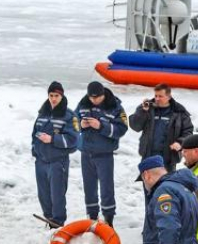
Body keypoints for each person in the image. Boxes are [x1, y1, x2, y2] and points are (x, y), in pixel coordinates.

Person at [74, 81, 127, 227]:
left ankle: (108, 219)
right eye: (91, 98)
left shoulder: (115, 106)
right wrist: (81, 125)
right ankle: (92, 216)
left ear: (103, 94)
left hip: (104, 154)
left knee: (106, 188)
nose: (94, 101)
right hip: (86, 152)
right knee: (89, 186)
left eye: (97, 98)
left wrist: (101, 126)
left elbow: (122, 129)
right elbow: (72, 120)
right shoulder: (84, 103)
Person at [31, 81, 78, 227]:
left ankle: (58, 223)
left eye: (56, 95)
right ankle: (49, 219)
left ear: (61, 95)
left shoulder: (69, 115)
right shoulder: (42, 113)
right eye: (51, 95)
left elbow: (74, 141)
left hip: (58, 162)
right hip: (41, 161)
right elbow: (34, 134)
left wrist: (52, 139)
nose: (53, 98)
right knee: (43, 195)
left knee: (57, 195)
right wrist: (35, 150)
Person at [128, 83, 193, 171]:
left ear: (169, 97)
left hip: (168, 158)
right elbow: (135, 126)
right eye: (156, 96)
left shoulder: (179, 112)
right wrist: (143, 112)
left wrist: (180, 142)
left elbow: (188, 132)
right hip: (148, 155)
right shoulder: (147, 108)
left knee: (166, 183)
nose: (157, 99)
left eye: (160, 96)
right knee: (148, 182)